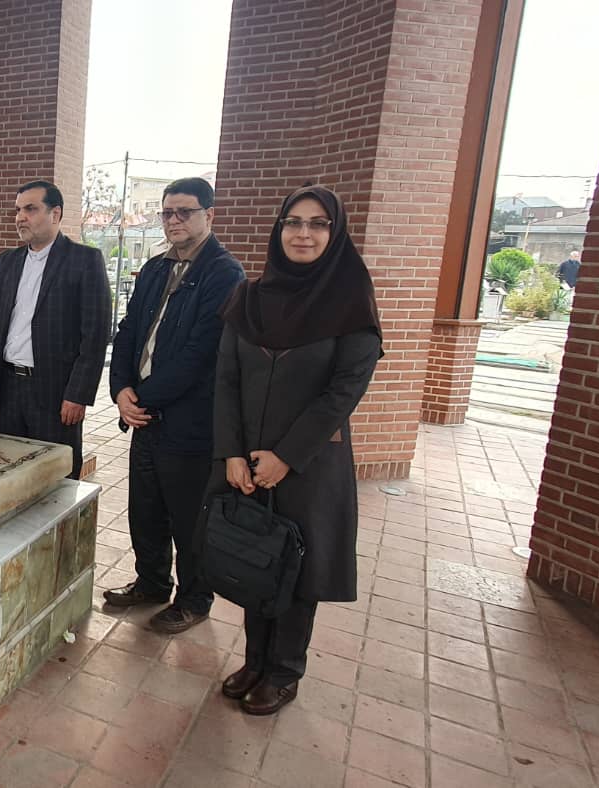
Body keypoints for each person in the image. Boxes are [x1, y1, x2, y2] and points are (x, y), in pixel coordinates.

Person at [214, 184, 381, 715]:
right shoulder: (249, 298)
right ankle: (255, 660)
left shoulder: (350, 301)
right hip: (247, 460)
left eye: (318, 223)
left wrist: (285, 457)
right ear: (279, 229)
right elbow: (226, 381)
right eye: (293, 222)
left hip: (309, 465)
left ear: (335, 233)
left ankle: (284, 671)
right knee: (256, 557)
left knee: (297, 567)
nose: (303, 233)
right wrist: (232, 452)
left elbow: (344, 392)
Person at [105, 177, 245, 634]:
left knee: (189, 519)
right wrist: (120, 390)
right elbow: (128, 332)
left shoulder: (224, 274)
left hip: (188, 422)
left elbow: (201, 354)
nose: (174, 220)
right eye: (167, 212)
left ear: (210, 215)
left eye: (185, 212)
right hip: (146, 417)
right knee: (145, 509)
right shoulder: (154, 268)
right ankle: (151, 584)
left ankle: (194, 599)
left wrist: (140, 399)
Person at [0, 180, 110, 478]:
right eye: (18, 210)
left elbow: (95, 336)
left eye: (30, 209)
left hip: (56, 393)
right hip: (10, 389)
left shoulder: (84, 261)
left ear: (55, 214)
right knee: (12, 474)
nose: (20, 217)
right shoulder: (6, 262)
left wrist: (79, 394)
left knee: (56, 478)